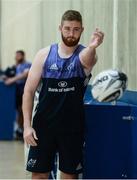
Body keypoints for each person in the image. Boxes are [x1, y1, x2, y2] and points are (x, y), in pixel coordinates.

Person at [23, 10, 104, 179]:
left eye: (76, 29)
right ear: (60, 28)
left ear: (82, 30)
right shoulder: (44, 55)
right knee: (39, 175)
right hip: (43, 127)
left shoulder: (84, 54)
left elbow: (88, 59)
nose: (71, 33)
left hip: (72, 128)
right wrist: (27, 126)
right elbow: (28, 91)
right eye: (67, 29)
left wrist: (92, 46)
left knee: (68, 176)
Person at [5, 50, 31, 139]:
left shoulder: (27, 65)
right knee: (18, 111)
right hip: (15, 91)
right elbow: (8, 75)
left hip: (23, 89)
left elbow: (25, 74)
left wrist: (12, 80)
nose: (17, 57)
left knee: (23, 110)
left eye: (19, 55)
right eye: (16, 55)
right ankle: (19, 130)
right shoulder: (14, 67)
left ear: (23, 56)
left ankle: (24, 129)